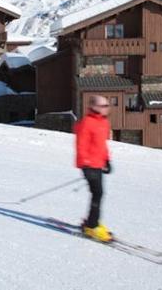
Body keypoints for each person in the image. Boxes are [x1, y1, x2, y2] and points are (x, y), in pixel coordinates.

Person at [75, 95, 112, 242]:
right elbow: (81, 145)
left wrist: (107, 160)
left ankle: (92, 221)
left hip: (98, 164)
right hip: (89, 165)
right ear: (94, 107)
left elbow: (102, 145)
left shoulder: (104, 122)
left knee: (98, 194)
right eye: (103, 106)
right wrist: (86, 164)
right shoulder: (87, 123)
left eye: (107, 105)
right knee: (98, 193)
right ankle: (92, 225)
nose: (107, 108)